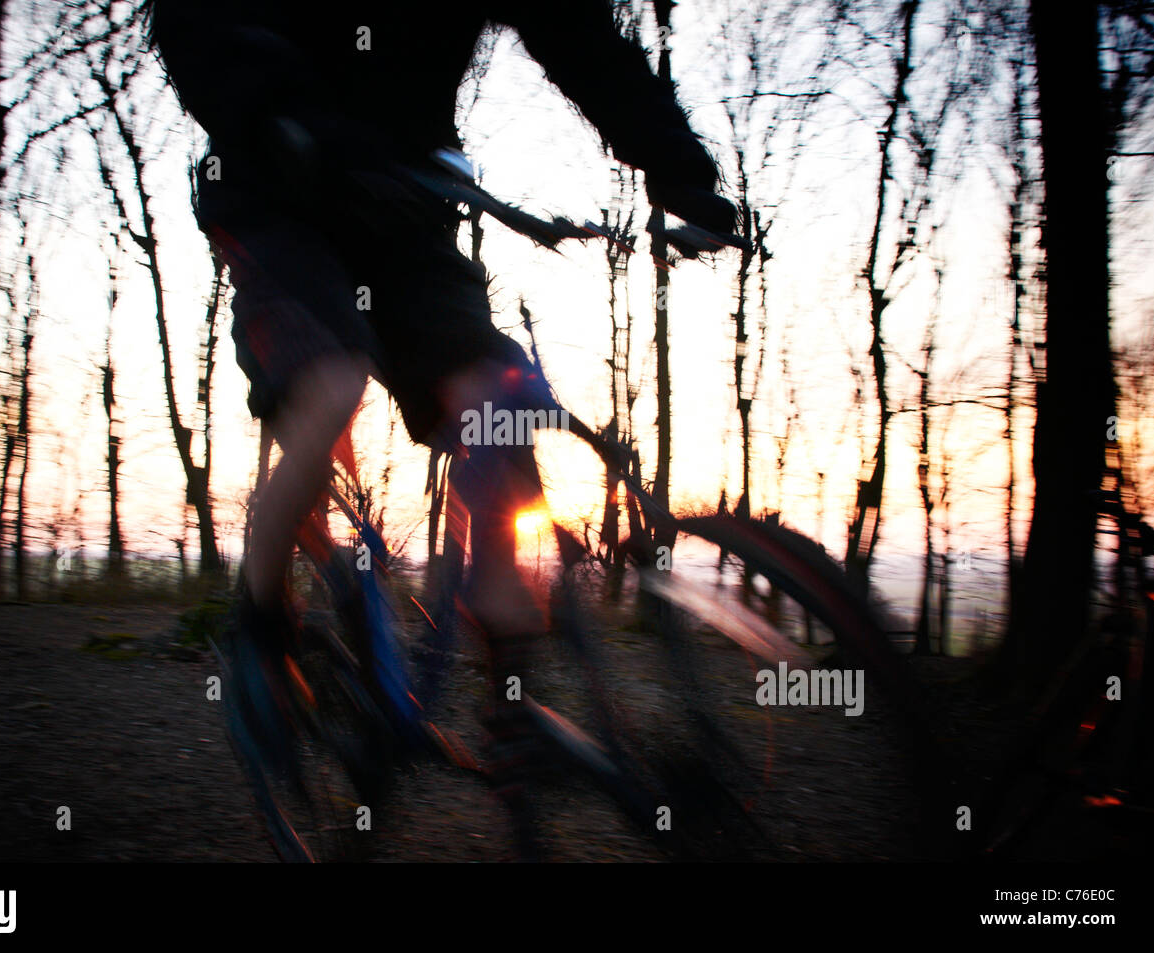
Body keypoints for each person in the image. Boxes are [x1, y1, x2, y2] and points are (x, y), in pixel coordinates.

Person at [147, 0, 740, 859]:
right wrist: (273, 110)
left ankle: (512, 705)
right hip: (280, 195)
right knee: (329, 384)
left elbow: (581, 36)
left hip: (407, 210)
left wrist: (677, 164)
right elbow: (194, 17)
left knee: (497, 408)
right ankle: (259, 631)